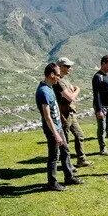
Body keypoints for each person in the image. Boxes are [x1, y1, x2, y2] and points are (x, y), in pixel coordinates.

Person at [35, 63, 83, 191]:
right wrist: (55, 133)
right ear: (51, 75)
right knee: (53, 156)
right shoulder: (43, 91)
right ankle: (52, 182)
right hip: (52, 129)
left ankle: (69, 177)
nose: (58, 77)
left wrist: (61, 121)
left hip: (58, 126)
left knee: (65, 150)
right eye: (57, 75)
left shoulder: (50, 87)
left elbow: (54, 108)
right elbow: (47, 116)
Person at [53, 57, 92, 168]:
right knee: (64, 140)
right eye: (68, 66)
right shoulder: (59, 81)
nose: (70, 68)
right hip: (64, 114)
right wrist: (78, 90)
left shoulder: (65, 79)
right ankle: (66, 165)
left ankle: (81, 159)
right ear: (60, 67)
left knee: (79, 135)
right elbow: (70, 97)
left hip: (70, 113)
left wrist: (72, 90)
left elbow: (70, 92)